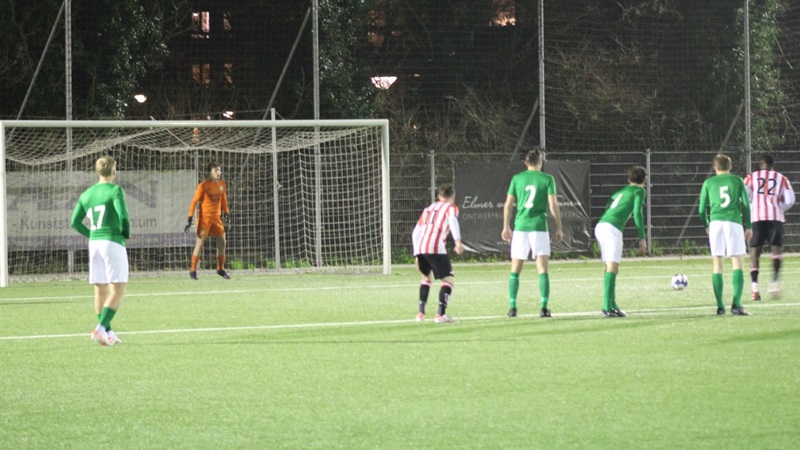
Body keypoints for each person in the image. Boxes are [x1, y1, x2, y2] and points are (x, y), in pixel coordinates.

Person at [70, 156, 130, 346]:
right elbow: (124, 216)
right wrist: (125, 233)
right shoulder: (115, 190)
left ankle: (108, 332)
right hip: (112, 242)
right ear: (113, 171)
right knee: (118, 288)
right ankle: (100, 328)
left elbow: (74, 222)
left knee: (100, 290)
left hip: (94, 244)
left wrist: (92, 234)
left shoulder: (86, 194)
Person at [502, 148, 564, 318]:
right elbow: (553, 205)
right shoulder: (547, 179)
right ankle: (544, 307)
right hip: (538, 227)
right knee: (542, 268)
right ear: (540, 162)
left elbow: (508, 205)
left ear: (525, 162)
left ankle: (513, 307)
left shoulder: (517, 178)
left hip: (521, 227)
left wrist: (506, 226)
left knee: (515, 268)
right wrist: (559, 227)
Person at [698, 154, 753, 316]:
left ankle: (720, 306)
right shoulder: (737, 181)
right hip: (733, 222)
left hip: (715, 224)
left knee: (717, 264)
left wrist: (706, 224)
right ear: (731, 167)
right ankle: (736, 305)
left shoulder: (708, 182)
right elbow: (746, 205)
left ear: (715, 168)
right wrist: (748, 225)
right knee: (737, 263)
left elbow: (701, 209)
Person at [594, 166, 647, 318]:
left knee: (611, 267)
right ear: (644, 180)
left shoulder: (621, 191)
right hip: (612, 228)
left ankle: (612, 304)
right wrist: (641, 237)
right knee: (612, 267)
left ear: (629, 179)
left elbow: (607, 206)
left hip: (601, 225)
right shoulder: (639, 191)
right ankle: (606, 308)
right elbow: (637, 212)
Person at [743, 154, 795, 300]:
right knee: (776, 250)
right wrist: (779, 208)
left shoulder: (750, 177)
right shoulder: (782, 178)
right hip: (775, 217)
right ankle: (775, 283)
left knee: (754, 251)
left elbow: (745, 197)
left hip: (756, 217)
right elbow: (790, 200)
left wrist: (754, 206)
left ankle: (755, 288)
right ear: (773, 165)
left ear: (761, 164)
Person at [412, 184, 464, 323]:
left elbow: (416, 232)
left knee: (426, 277)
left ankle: (420, 314)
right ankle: (440, 314)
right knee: (449, 280)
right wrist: (458, 242)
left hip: (421, 246)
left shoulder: (428, 209)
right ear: (452, 196)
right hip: (435, 247)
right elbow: (452, 221)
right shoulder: (451, 208)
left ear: (438, 196)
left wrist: (416, 253)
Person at [185, 161, 231, 280]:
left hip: (217, 219)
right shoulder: (203, 185)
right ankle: (193, 270)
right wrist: (190, 217)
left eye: (219, 170)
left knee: (222, 242)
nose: (218, 172)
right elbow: (194, 202)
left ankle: (220, 269)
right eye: (216, 170)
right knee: (199, 244)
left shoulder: (222, 185)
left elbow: (224, 201)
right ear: (210, 173)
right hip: (204, 220)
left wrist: (226, 214)